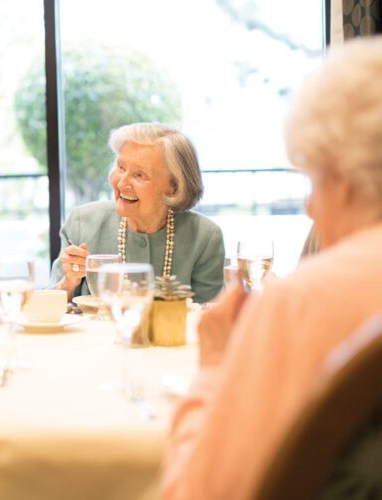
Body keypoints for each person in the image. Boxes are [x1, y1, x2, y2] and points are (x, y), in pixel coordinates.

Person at [161, 37, 382, 500]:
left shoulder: (305, 301)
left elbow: (198, 494)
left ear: (341, 176)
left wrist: (215, 367)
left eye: (312, 180)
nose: (309, 208)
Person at [47, 123, 224, 303]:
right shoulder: (82, 223)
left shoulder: (205, 237)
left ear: (174, 187)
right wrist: (67, 283)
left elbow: (213, 320)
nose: (122, 183)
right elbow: (45, 309)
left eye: (139, 175)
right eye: (121, 167)